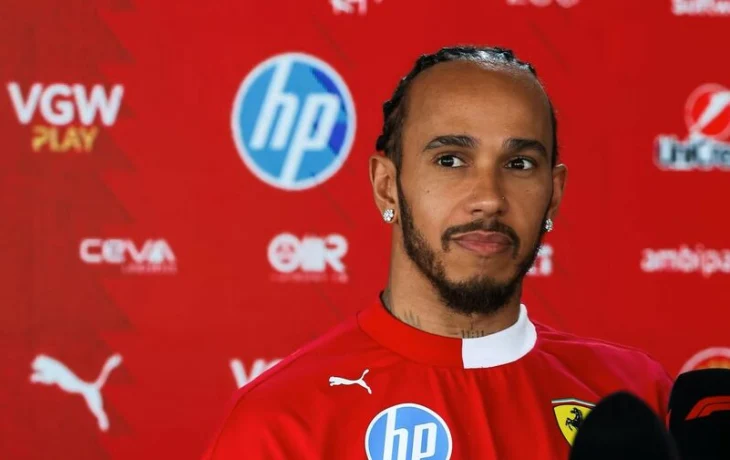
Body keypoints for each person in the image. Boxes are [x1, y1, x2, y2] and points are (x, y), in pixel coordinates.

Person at [203, 46, 672, 460]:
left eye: (519, 164)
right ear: (387, 187)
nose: (489, 197)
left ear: (553, 194)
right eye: (450, 160)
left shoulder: (636, 395)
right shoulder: (281, 421)